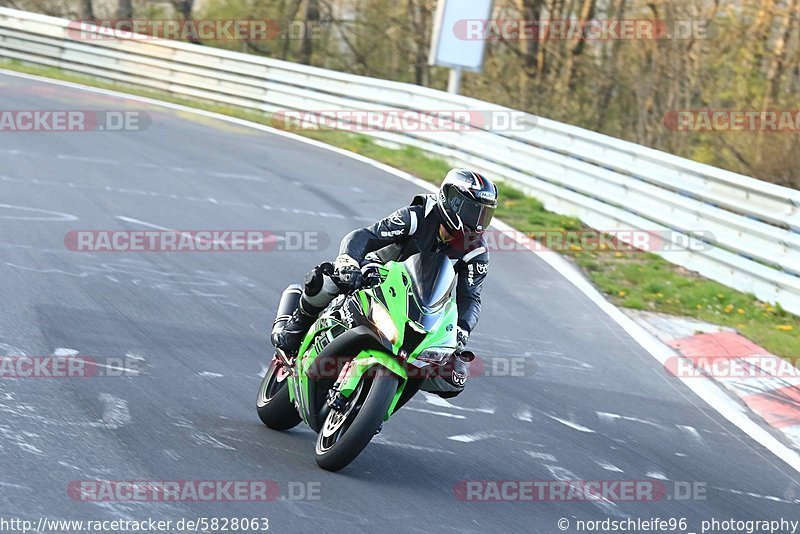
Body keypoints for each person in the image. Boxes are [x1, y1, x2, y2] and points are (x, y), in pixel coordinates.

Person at [272, 168, 498, 397]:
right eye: (473, 211)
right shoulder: (417, 216)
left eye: (484, 215)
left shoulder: (476, 250)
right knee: (327, 279)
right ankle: (295, 327)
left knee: (452, 376)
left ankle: (380, 400)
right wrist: (348, 263)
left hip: (421, 305)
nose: (478, 222)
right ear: (452, 202)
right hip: (376, 275)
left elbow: (470, 296)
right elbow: (365, 236)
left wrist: (462, 329)